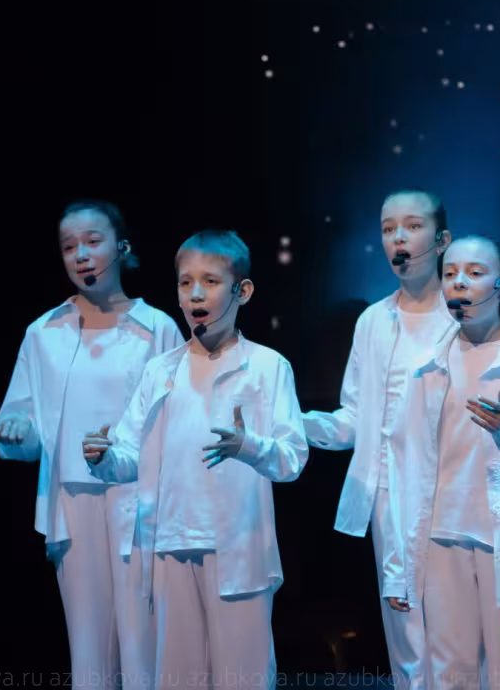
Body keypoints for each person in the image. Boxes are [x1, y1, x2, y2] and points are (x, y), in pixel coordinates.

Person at [82, 230, 307, 690]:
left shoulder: (268, 367)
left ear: (242, 291)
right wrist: (103, 458)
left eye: (210, 281)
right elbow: (130, 457)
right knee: (178, 678)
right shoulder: (161, 370)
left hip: (238, 551)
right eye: (185, 283)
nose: (196, 294)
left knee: (242, 678)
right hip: (171, 544)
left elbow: (291, 459)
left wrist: (249, 446)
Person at [0, 200, 182, 689]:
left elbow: (178, 420)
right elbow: (27, 427)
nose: (80, 255)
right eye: (69, 246)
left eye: (93, 242)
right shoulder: (43, 332)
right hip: (72, 501)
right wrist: (17, 429)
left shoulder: (157, 328)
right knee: (89, 646)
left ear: (122, 247)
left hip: (140, 501)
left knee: (142, 641)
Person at [384, 236, 500, 690]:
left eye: (473, 273)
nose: (459, 283)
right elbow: (403, 465)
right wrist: (397, 567)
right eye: (449, 274)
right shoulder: (426, 364)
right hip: (441, 537)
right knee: (449, 674)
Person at [301, 188, 456, 690]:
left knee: (454, 634)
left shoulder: (462, 317)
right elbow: (354, 419)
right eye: (388, 229)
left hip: (452, 493)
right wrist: (293, 422)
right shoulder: (373, 321)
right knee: (406, 637)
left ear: (442, 240)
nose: (398, 238)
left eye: (412, 226)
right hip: (390, 497)